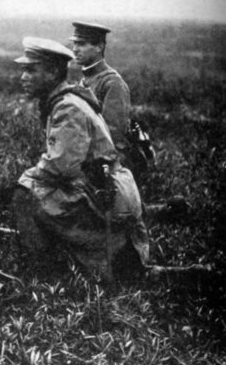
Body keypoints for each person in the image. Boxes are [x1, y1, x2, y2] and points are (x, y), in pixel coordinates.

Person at [11, 36, 149, 282]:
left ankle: (42, 275)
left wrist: (26, 178)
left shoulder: (67, 107)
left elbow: (61, 166)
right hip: (104, 191)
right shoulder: (65, 101)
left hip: (107, 198)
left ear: (53, 72)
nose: (24, 77)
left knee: (24, 195)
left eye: (31, 70)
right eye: (24, 70)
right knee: (36, 192)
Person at [69, 22, 153, 180]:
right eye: (74, 43)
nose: (75, 49)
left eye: (81, 44)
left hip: (111, 163)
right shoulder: (86, 79)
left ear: (99, 47)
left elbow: (112, 133)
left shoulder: (113, 83)